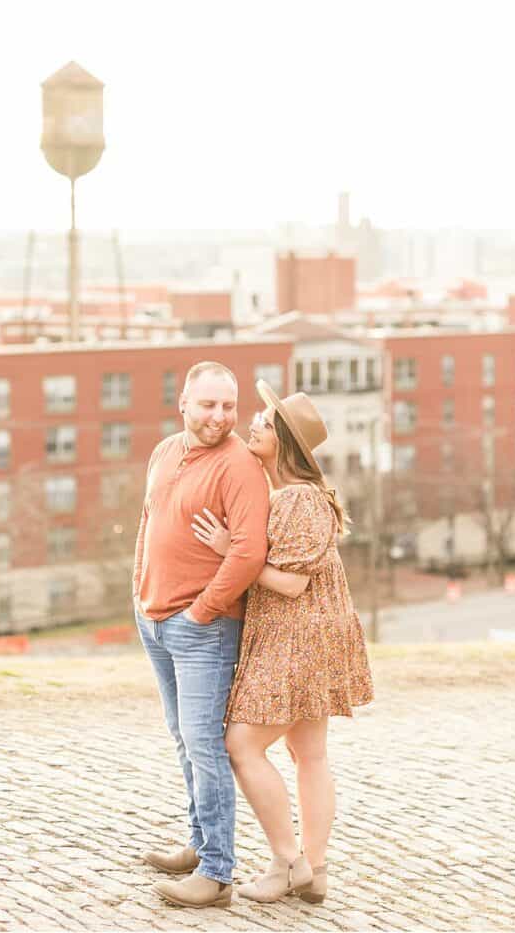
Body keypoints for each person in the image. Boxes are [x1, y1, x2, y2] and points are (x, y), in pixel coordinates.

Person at [191, 379, 374, 904]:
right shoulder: (304, 496)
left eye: (264, 423)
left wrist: (234, 553)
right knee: (308, 752)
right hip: (317, 636)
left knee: (241, 746)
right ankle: (314, 870)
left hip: (296, 639)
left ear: (285, 443)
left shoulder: (295, 499)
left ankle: (286, 860)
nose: (253, 422)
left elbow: (291, 582)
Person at [133, 361, 307, 910]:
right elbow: (149, 519)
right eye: (208, 405)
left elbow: (248, 552)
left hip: (200, 629)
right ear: (183, 401)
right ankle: (199, 842)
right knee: (185, 740)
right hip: (154, 619)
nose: (220, 417)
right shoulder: (165, 451)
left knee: (206, 747)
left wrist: (204, 610)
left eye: (228, 406)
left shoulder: (238, 467)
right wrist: (139, 588)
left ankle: (216, 872)